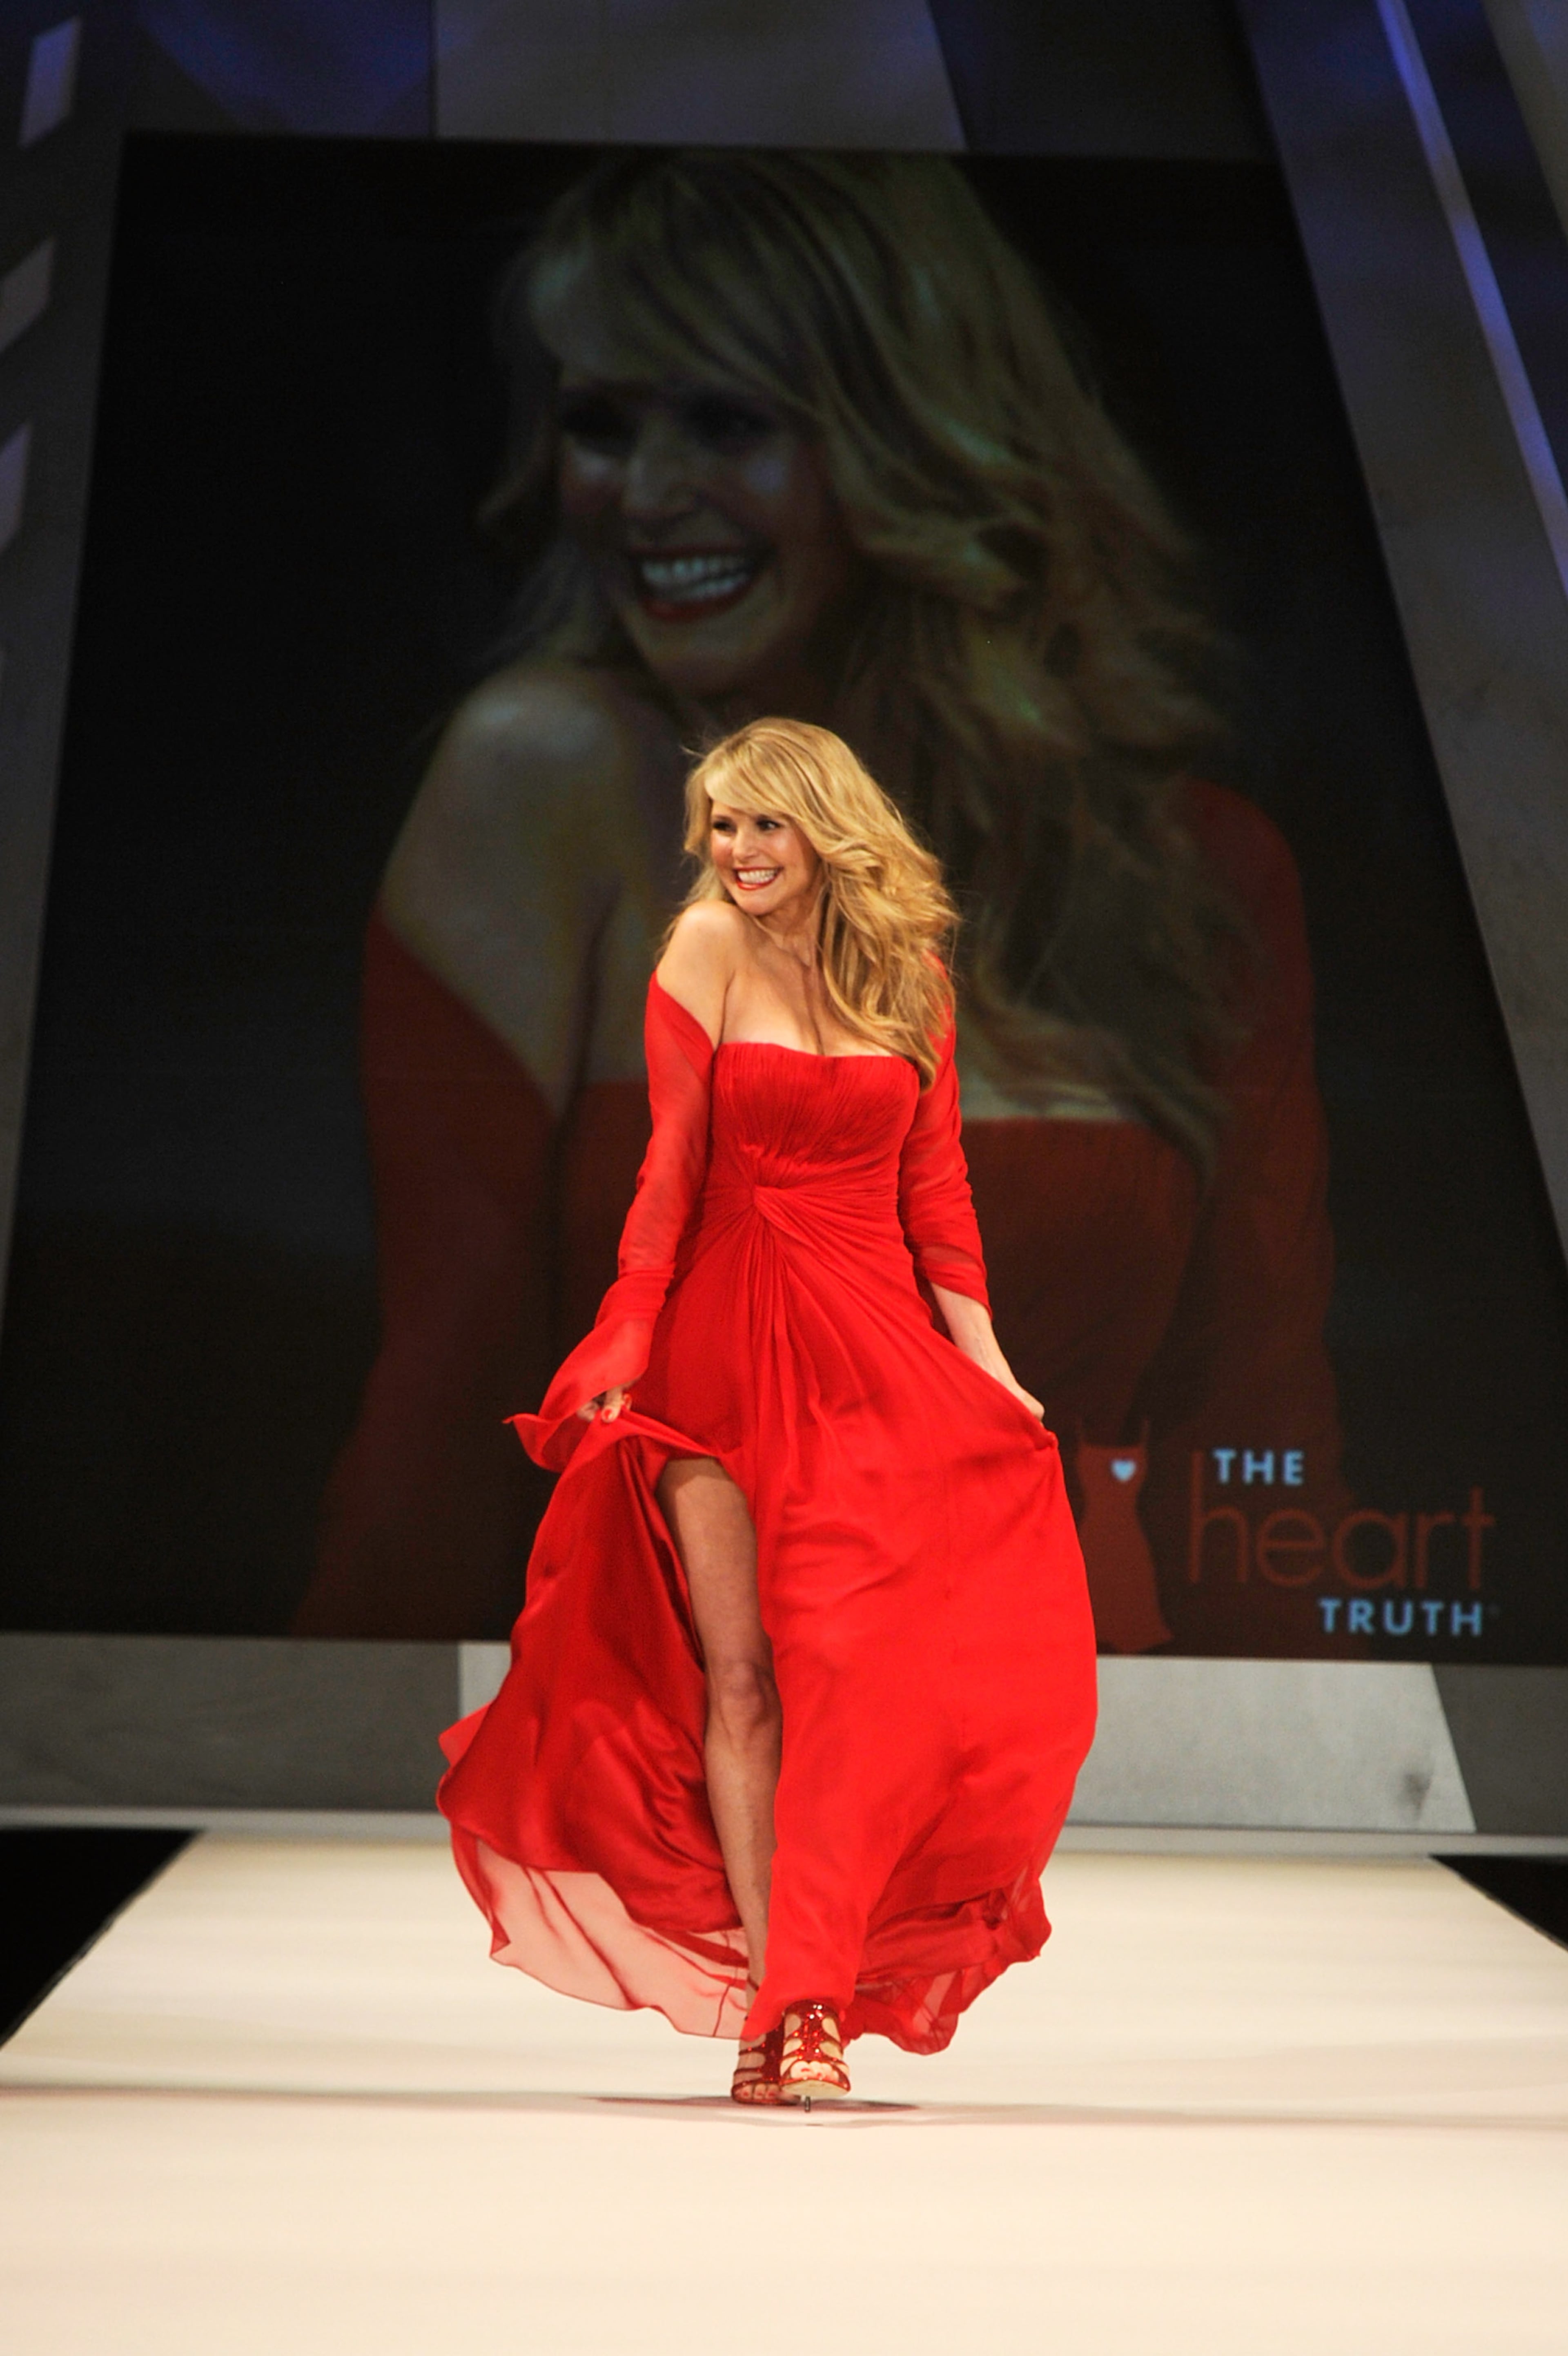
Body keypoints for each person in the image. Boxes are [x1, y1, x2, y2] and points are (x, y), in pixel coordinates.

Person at [293, 149, 1346, 1654]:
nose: (645, 497)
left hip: (1083, 1747)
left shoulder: (1199, 873)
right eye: (600, 422)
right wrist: (329, 1774)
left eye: (726, 418)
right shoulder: (550, 782)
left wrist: (1309, 1808)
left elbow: (1264, 1443)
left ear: (915, 435)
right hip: (677, 1737)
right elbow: (449, 1411)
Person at [437, 717, 1098, 2101]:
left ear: (825, 831)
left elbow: (938, 1190)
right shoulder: (701, 953)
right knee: (739, 1680)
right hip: (724, 1350)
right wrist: (626, 1331)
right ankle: (791, 2006)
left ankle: (813, 1973)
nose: (734, 851)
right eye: (719, 825)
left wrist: (985, 1357)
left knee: (853, 1673)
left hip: (868, 1354)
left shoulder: (912, 977)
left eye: (761, 826)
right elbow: (667, 1170)